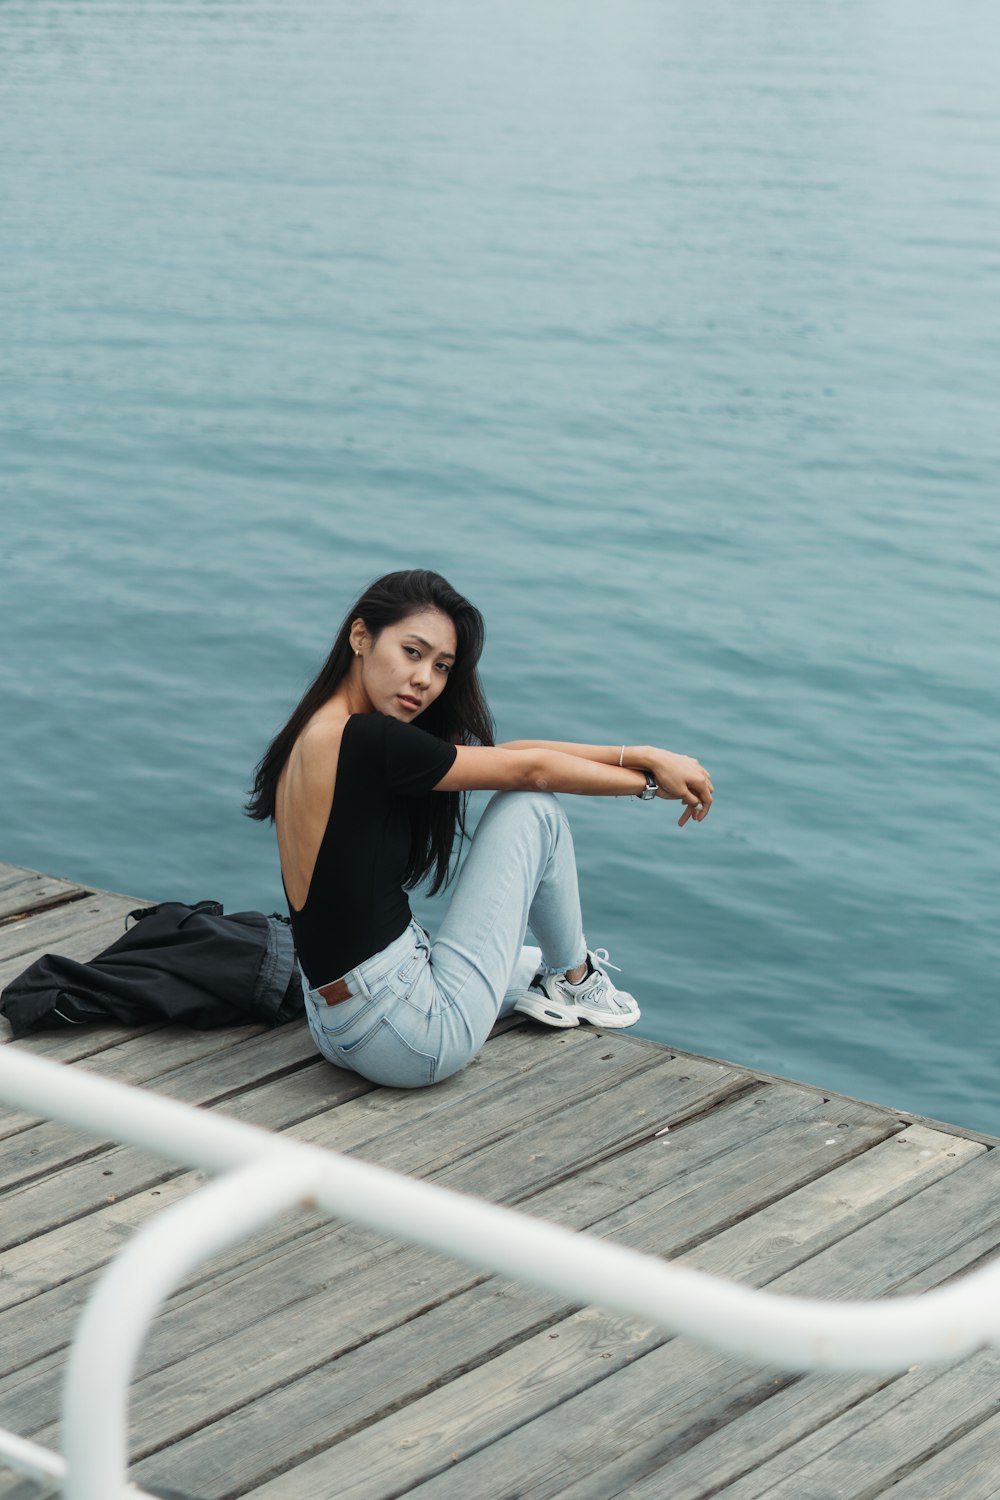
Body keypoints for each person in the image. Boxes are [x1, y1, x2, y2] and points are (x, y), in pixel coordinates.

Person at [247, 568, 713, 1089]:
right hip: (409, 1033)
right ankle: (577, 981)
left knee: (529, 958)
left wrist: (641, 756)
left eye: (442, 666)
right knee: (532, 810)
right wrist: (649, 785)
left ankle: (562, 973)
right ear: (361, 637)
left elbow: (507, 755)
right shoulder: (370, 740)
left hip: (335, 1024)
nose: (425, 679)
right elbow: (531, 771)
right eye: (412, 651)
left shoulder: (317, 731)